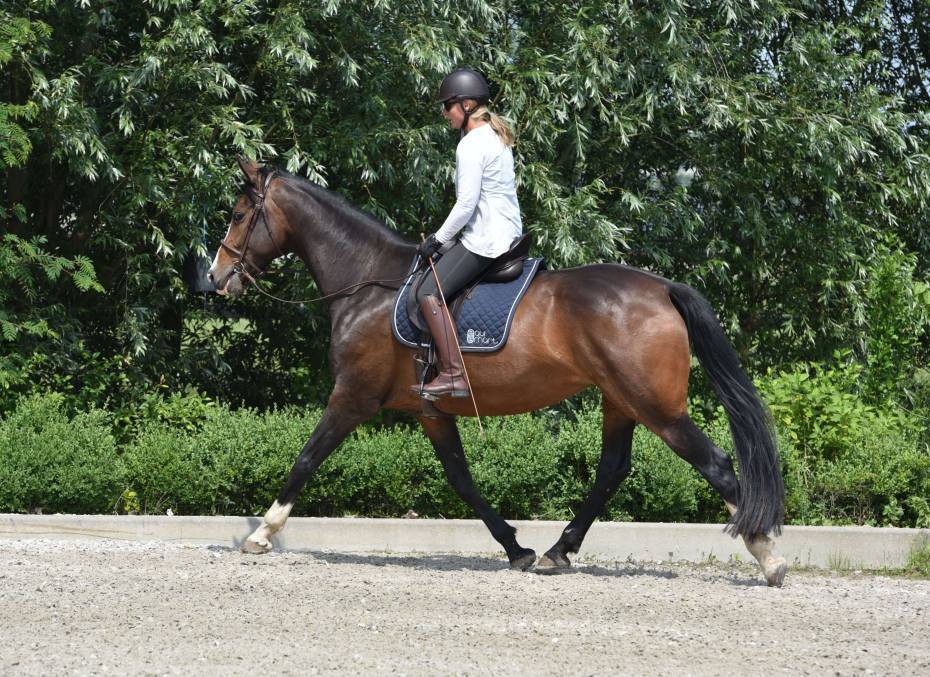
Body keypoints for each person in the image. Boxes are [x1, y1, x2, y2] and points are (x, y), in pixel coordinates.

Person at [412, 68, 523, 399]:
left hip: (487, 241)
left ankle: (452, 374)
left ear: (465, 105)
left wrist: (436, 240)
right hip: (509, 233)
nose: (444, 114)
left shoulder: (471, 144)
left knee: (426, 293)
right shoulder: (494, 135)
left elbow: (465, 206)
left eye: (447, 106)